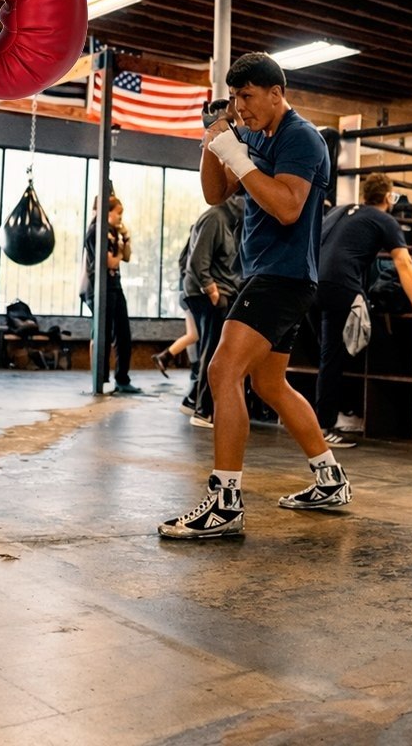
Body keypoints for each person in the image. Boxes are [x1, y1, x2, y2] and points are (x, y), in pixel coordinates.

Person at [161, 53, 344, 540]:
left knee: (222, 371)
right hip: (267, 276)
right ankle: (330, 479)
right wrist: (214, 139)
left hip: (282, 278)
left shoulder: (300, 137)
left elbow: (287, 207)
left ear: (275, 94)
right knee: (269, 385)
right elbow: (214, 194)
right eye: (235, 99)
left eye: (246, 98)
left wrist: (237, 155)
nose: (241, 108)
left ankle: (225, 503)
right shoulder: (252, 134)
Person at [312, 174, 412, 447]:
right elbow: (404, 262)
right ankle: (325, 425)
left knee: (331, 354)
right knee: (351, 352)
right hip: (341, 286)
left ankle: (340, 413)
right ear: (388, 197)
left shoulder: (340, 211)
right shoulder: (385, 219)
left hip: (312, 284)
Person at [180, 186, 243, 427]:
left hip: (220, 292)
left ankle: (192, 401)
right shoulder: (215, 217)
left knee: (214, 348)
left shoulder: (232, 221)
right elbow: (197, 261)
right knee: (213, 349)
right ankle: (203, 410)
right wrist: (214, 293)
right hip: (206, 294)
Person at [84, 194, 136, 393]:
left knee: (123, 334)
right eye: (118, 213)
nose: (121, 217)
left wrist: (126, 238)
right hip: (100, 288)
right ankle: (100, 378)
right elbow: (112, 262)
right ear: (107, 212)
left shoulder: (113, 232)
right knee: (102, 334)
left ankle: (122, 378)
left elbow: (127, 257)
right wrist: (121, 252)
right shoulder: (96, 232)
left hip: (115, 286)